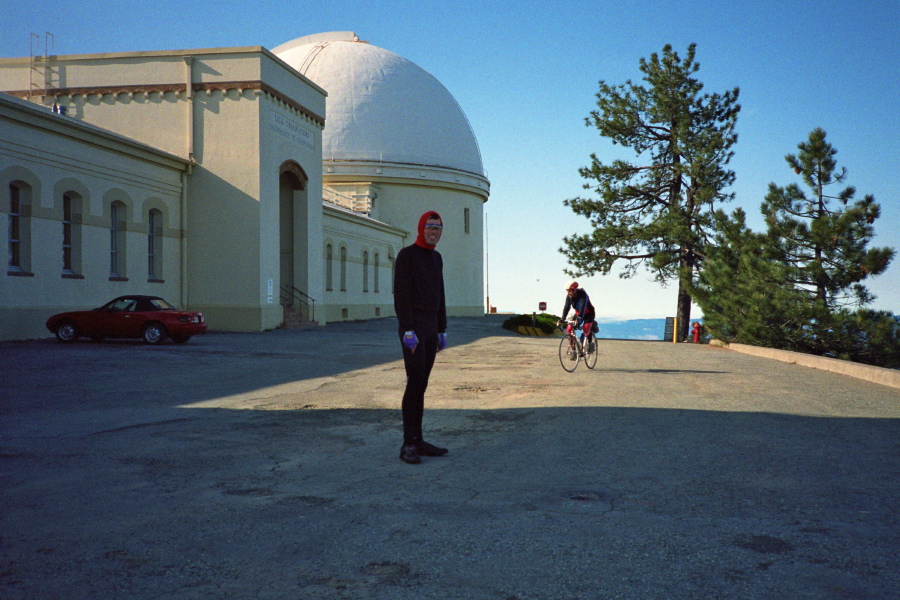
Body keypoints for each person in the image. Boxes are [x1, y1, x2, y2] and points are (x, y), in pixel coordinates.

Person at [393, 211, 449, 465]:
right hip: (413, 331)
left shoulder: (436, 258)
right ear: (420, 228)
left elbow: (440, 294)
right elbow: (401, 295)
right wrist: (407, 329)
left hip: (430, 330)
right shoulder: (407, 256)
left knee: (422, 384)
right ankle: (407, 444)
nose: (434, 232)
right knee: (414, 383)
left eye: (438, 228)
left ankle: (418, 439)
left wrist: (442, 329)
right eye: (430, 227)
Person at [557, 280, 597, 354]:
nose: (568, 293)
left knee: (586, 328)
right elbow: (566, 307)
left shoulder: (582, 294)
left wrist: (579, 318)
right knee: (569, 329)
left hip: (589, 313)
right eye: (567, 291)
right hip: (578, 313)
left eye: (570, 291)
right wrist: (562, 318)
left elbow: (583, 306)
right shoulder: (569, 296)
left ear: (575, 289)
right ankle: (574, 350)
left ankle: (590, 342)